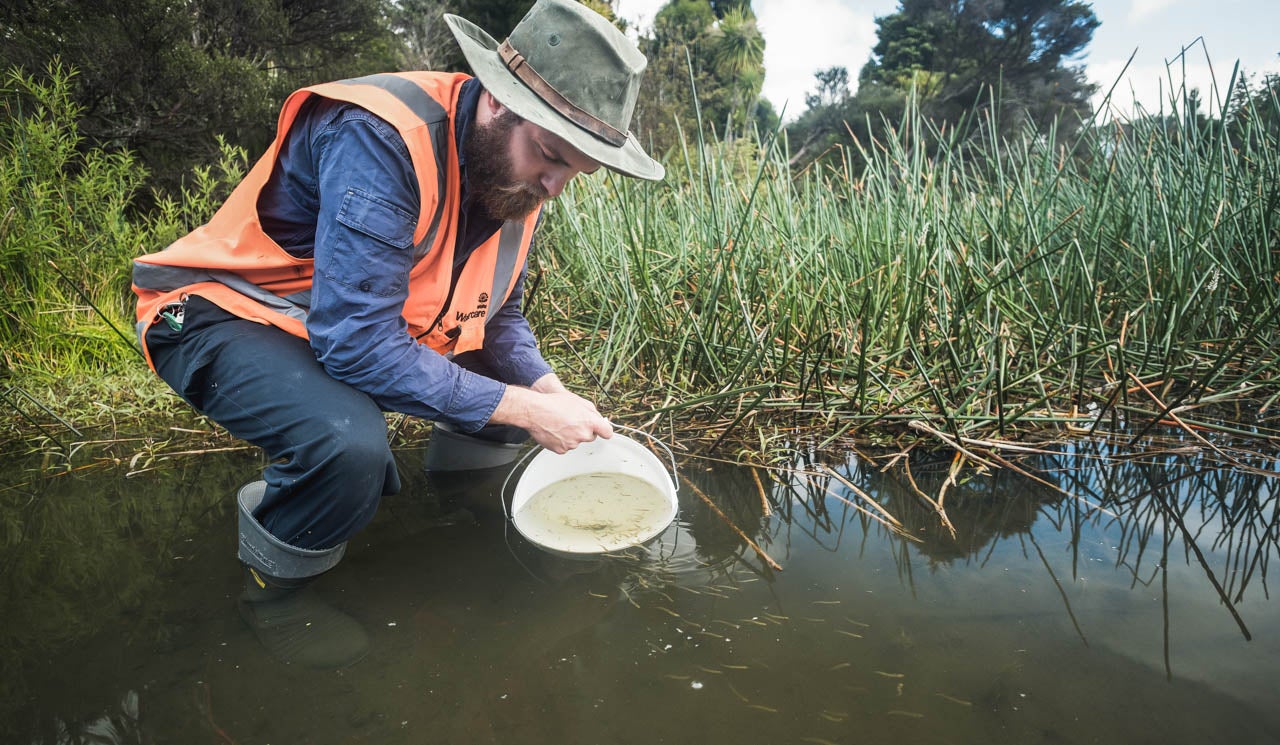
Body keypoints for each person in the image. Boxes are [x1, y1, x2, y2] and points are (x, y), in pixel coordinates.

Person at [130, 0, 663, 668]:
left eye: (574, 172)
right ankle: (275, 591)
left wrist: (546, 390)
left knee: (514, 402)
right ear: (498, 102)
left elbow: (498, 318)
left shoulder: (520, 179)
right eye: (551, 155)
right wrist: (525, 406)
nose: (555, 186)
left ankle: (457, 511)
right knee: (345, 443)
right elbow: (355, 344)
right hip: (219, 312)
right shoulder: (381, 136)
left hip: (332, 329)